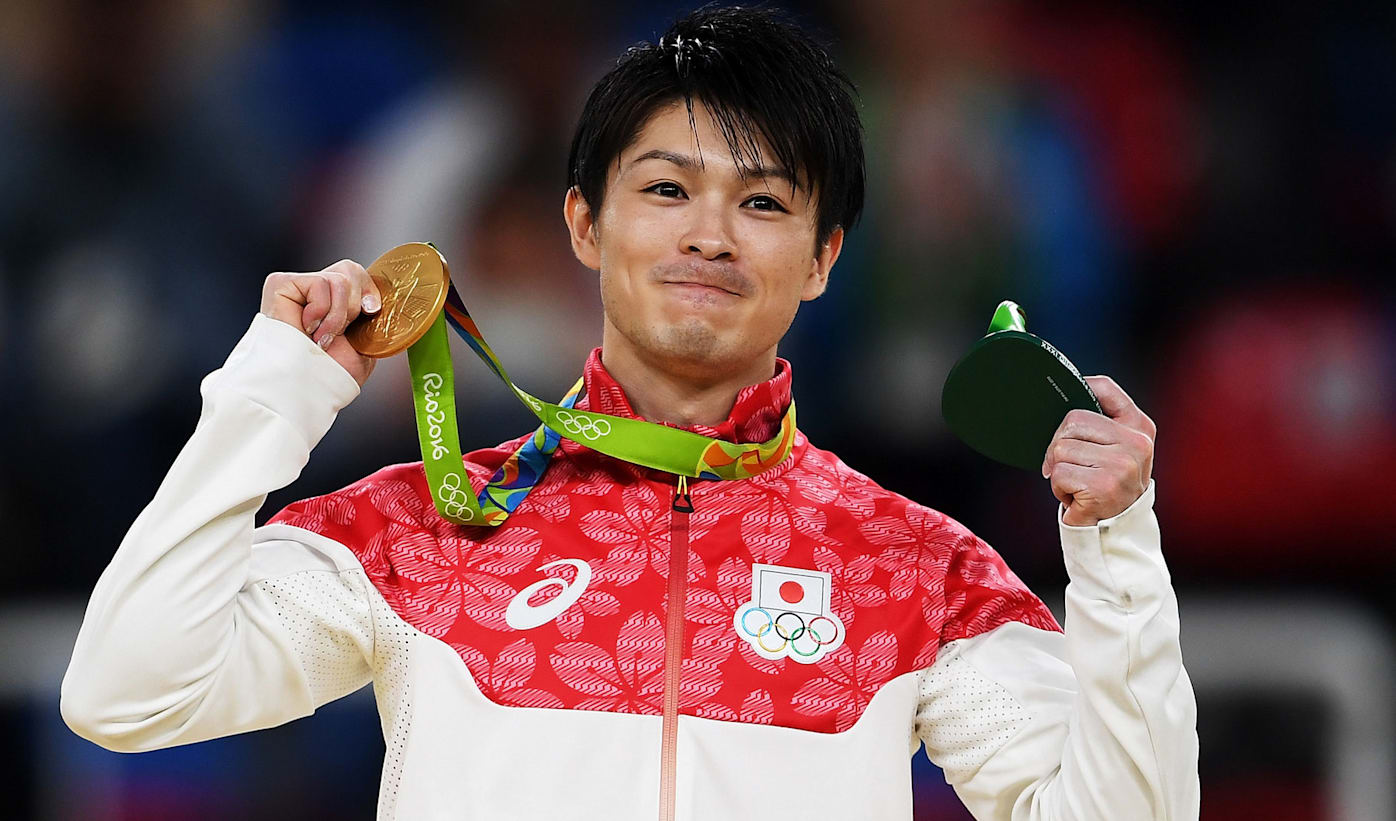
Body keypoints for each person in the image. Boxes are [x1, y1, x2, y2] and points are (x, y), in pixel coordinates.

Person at [60, 6, 1198, 819]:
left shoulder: (915, 570)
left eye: (762, 202)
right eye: (665, 189)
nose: (709, 234)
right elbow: (126, 690)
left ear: (822, 258)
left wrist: (1114, 549)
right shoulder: (422, 527)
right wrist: (272, 391)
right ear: (583, 226)